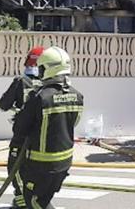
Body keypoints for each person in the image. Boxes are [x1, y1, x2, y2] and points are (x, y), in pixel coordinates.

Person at [13, 46, 84, 209]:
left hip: (40, 165)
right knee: (42, 201)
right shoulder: (77, 96)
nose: (39, 71)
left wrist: (22, 114)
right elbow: (73, 122)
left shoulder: (39, 98)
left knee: (33, 201)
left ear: (48, 69)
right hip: (64, 163)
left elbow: (19, 129)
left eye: (41, 68)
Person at [0, 47, 44, 208]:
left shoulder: (20, 82)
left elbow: (3, 105)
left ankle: (21, 201)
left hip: (22, 136)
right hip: (41, 138)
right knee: (35, 169)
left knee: (15, 167)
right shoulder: (48, 85)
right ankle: (35, 199)